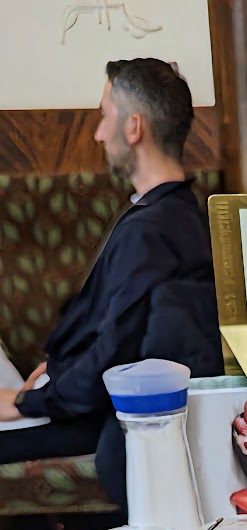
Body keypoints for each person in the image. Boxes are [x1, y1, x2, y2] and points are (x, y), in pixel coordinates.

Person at [0, 58, 218, 503]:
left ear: (133, 126)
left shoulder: (151, 230)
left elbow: (113, 357)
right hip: (86, 397)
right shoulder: (176, 213)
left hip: (101, 417)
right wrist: (50, 374)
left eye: (104, 115)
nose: (99, 133)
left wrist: (25, 402)